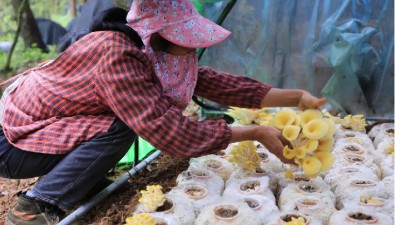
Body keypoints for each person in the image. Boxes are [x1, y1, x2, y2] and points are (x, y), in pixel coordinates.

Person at [0, 1, 326, 224]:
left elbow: (222, 85)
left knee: (118, 124)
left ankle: (81, 181)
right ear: (157, 35)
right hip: (13, 142)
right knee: (120, 127)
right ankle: (33, 206)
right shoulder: (117, 57)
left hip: (45, 130)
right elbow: (172, 134)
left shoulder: (154, 54)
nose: (193, 47)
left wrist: (297, 98)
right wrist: (255, 132)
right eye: (186, 39)